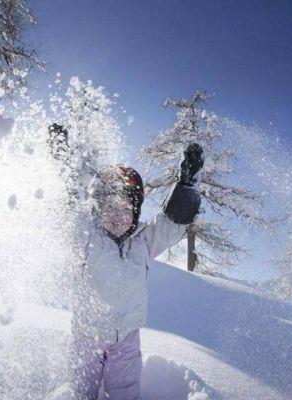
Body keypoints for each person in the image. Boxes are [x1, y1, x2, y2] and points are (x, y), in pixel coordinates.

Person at [71, 142, 204, 400]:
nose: (117, 215)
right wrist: (63, 168)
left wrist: (186, 188)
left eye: (125, 209)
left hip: (126, 340)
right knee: (82, 392)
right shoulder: (88, 237)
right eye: (110, 208)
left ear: (136, 213)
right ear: (99, 210)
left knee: (126, 392)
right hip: (87, 337)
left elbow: (172, 224)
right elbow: (67, 215)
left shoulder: (143, 241)